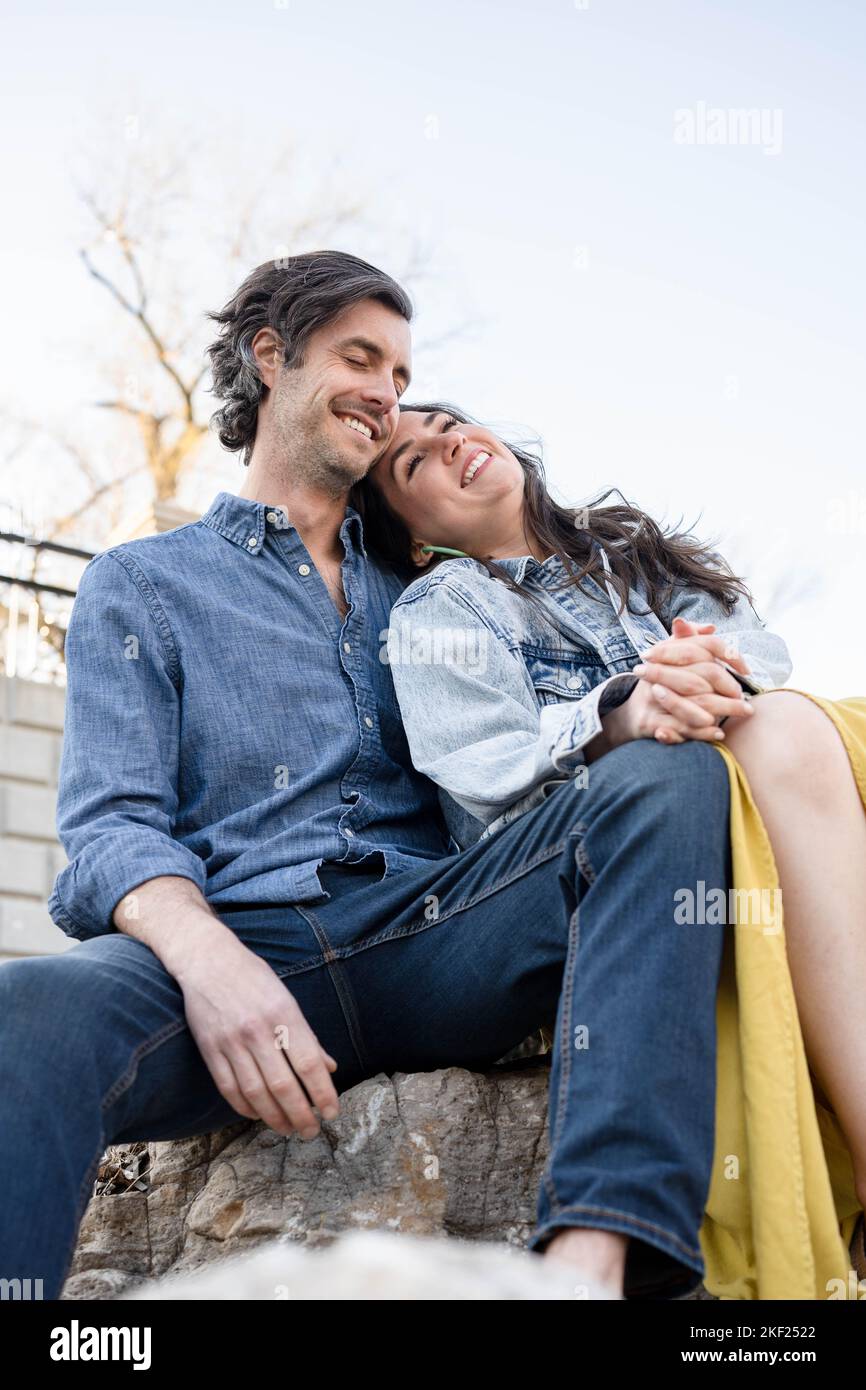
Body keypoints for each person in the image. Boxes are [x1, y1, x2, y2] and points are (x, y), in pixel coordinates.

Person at [1, 252, 735, 1303]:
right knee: (27, 1008)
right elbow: (112, 828)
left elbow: (538, 744)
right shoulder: (144, 584)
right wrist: (212, 964)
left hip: (433, 929)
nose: (387, 393)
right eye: (360, 357)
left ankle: (596, 1259)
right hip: (236, 939)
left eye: (400, 371)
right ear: (270, 357)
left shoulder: (439, 588)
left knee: (665, 783)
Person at [354, 399, 866, 1275]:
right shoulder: (441, 609)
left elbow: (756, 653)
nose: (450, 445)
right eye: (416, 464)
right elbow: (489, 774)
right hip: (642, 842)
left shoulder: (631, 553)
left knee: (780, 726)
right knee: (766, 738)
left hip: (768, 762)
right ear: (413, 539)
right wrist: (621, 711)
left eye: (450, 424)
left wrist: (695, 676)